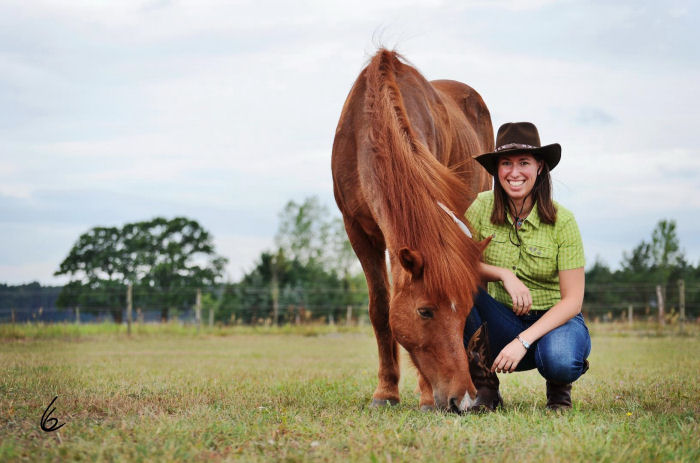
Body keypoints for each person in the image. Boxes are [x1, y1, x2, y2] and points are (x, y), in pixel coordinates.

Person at [463, 122, 590, 412]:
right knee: (456, 288)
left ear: (540, 167)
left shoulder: (564, 221)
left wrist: (523, 340)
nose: (514, 172)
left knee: (559, 358)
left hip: (555, 322)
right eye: (506, 163)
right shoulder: (481, 207)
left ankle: (559, 393)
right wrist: (503, 274)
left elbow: (573, 301)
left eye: (524, 163)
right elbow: (459, 263)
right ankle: (485, 390)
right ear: (497, 170)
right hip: (502, 318)